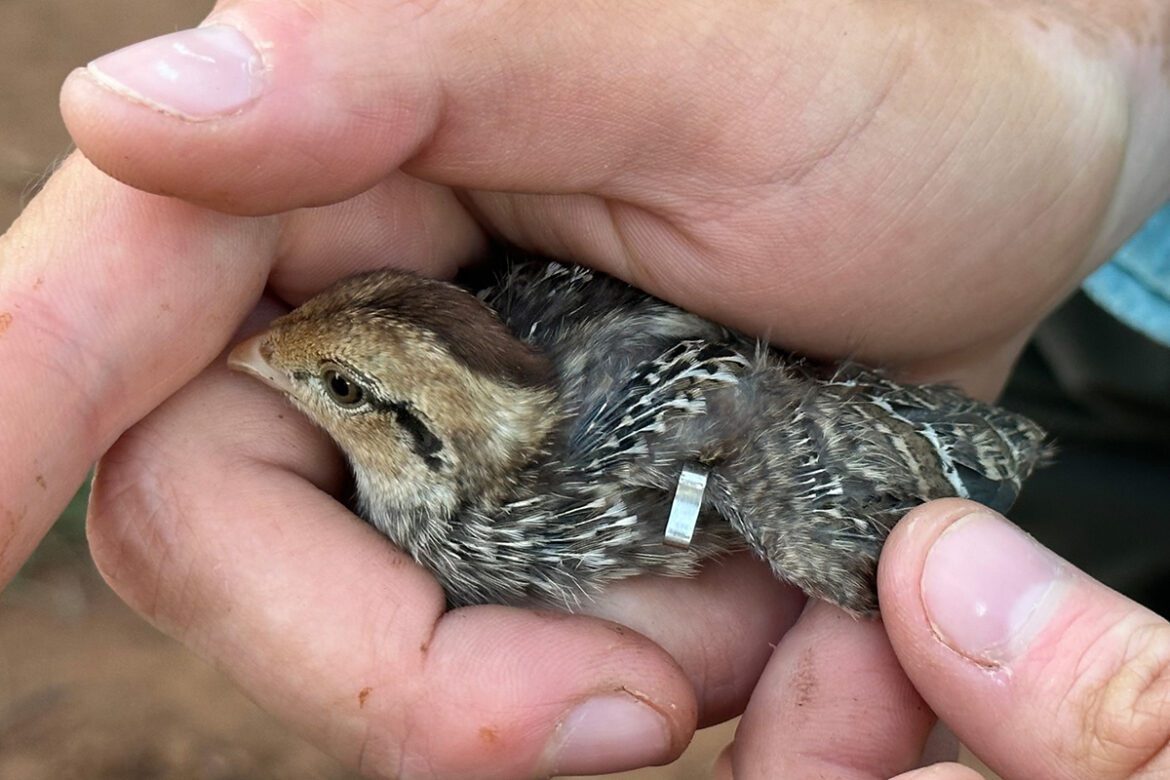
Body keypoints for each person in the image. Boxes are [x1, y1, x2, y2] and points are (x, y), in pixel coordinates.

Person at [1, 2, 1167, 776]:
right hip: (1102, 295)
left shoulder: (587, 483)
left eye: (339, 385)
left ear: (425, 444)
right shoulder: (501, 326)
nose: (259, 358)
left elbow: (754, 443)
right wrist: (1109, 59)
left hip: (864, 374)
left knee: (913, 567)